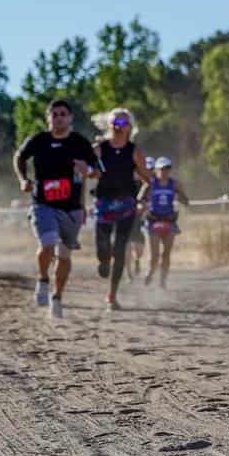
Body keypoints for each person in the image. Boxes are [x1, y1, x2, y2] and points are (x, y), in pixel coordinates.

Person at [13, 99, 97, 320]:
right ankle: (42, 279)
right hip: (43, 203)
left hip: (71, 208)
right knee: (48, 243)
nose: (59, 118)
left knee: (65, 255)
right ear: (48, 118)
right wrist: (24, 179)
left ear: (70, 118)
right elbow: (19, 157)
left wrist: (86, 169)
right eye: (55, 114)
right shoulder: (39, 140)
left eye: (63, 114)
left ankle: (57, 297)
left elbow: (98, 171)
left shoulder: (80, 143)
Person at [90, 108, 152, 310]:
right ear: (109, 125)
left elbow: (148, 180)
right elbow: (85, 171)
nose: (119, 127)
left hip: (126, 204)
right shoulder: (99, 149)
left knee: (120, 249)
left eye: (123, 124)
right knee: (103, 247)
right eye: (115, 123)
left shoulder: (134, 152)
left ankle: (112, 295)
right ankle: (103, 260)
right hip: (104, 203)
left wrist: (142, 198)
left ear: (130, 128)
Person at [138, 157, 188, 288]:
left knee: (166, 254)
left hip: (169, 220)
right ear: (156, 170)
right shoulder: (150, 184)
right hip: (153, 220)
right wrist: (143, 204)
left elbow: (186, 200)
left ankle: (163, 280)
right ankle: (150, 272)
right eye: (162, 169)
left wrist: (180, 196)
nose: (164, 171)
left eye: (167, 168)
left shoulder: (175, 184)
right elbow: (140, 199)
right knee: (154, 256)